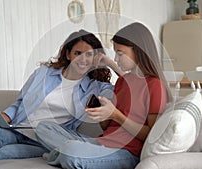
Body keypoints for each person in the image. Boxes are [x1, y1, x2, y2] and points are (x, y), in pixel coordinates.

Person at [0, 29, 115, 169]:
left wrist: (109, 63)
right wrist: (0, 118)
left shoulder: (96, 87)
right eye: (78, 53)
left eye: (89, 55)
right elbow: (19, 103)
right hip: (19, 130)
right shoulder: (43, 74)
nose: (83, 59)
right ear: (68, 54)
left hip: (44, 142)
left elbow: (128, 85)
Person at [36, 22, 171, 169]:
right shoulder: (123, 81)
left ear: (138, 51)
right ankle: (63, 153)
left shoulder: (155, 86)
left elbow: (151, 136)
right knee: (44, 127)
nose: (116, 59)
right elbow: (107, 126)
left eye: (120, 53)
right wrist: (102, 114)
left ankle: (60, 154)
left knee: (71, 152)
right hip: (102, 143)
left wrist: (116, 114)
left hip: (126, 152)